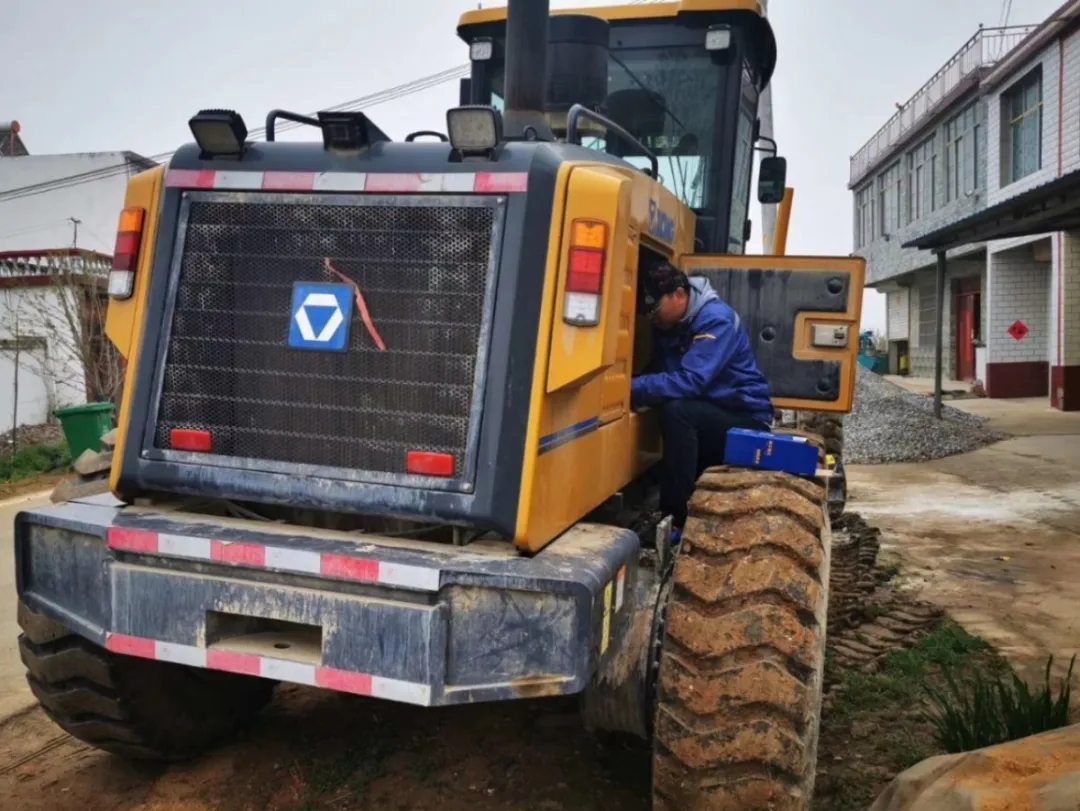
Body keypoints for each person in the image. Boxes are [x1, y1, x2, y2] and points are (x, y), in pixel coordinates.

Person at [631, 262, 773, 542]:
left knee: (677, 412)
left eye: (655, 311)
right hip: (710, 413)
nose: (652, 319)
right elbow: (661, 372)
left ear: (680, 295)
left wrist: (629, 388)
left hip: (745, 417)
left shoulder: (716, 320)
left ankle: (674, 521)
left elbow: (691, 380)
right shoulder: (673, 322)